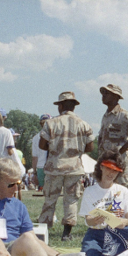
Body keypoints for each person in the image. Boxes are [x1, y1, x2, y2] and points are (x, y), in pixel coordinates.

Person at [37, 91, 94, 241]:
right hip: (74, 168)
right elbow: (90, 147)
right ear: (74, 106)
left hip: (55, 167)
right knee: (71, 201)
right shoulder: (84, 124)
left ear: (60, 106)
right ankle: (66, 234)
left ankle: (44, 231)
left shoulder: (51, 123)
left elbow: (42, 145)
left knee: (50, 199)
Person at [78, 150, 128, 256]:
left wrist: (124, 222)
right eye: (109, 168)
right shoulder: (90, 191)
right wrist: (94, 220)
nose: (111, 173)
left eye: (115, 171)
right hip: (95, 233)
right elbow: (88, 220)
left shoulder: (123, 191)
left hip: (117, 233)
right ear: (101, 167)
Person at [97, 84, 128, 187]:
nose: (103, 95)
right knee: (107, 191)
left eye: (107, 93)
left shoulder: (124, 115)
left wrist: (122, 149)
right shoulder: (105, 116)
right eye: (103, 93)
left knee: (122, 193)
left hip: (120, 160)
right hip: (106, 160)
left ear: (115, 96)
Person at [31, 114, 51, 191]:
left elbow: (34, 157)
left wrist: (34, 172)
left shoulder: (36, 138)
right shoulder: (55, 136)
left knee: (43, 191)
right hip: (53, 166)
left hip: (40, 167)